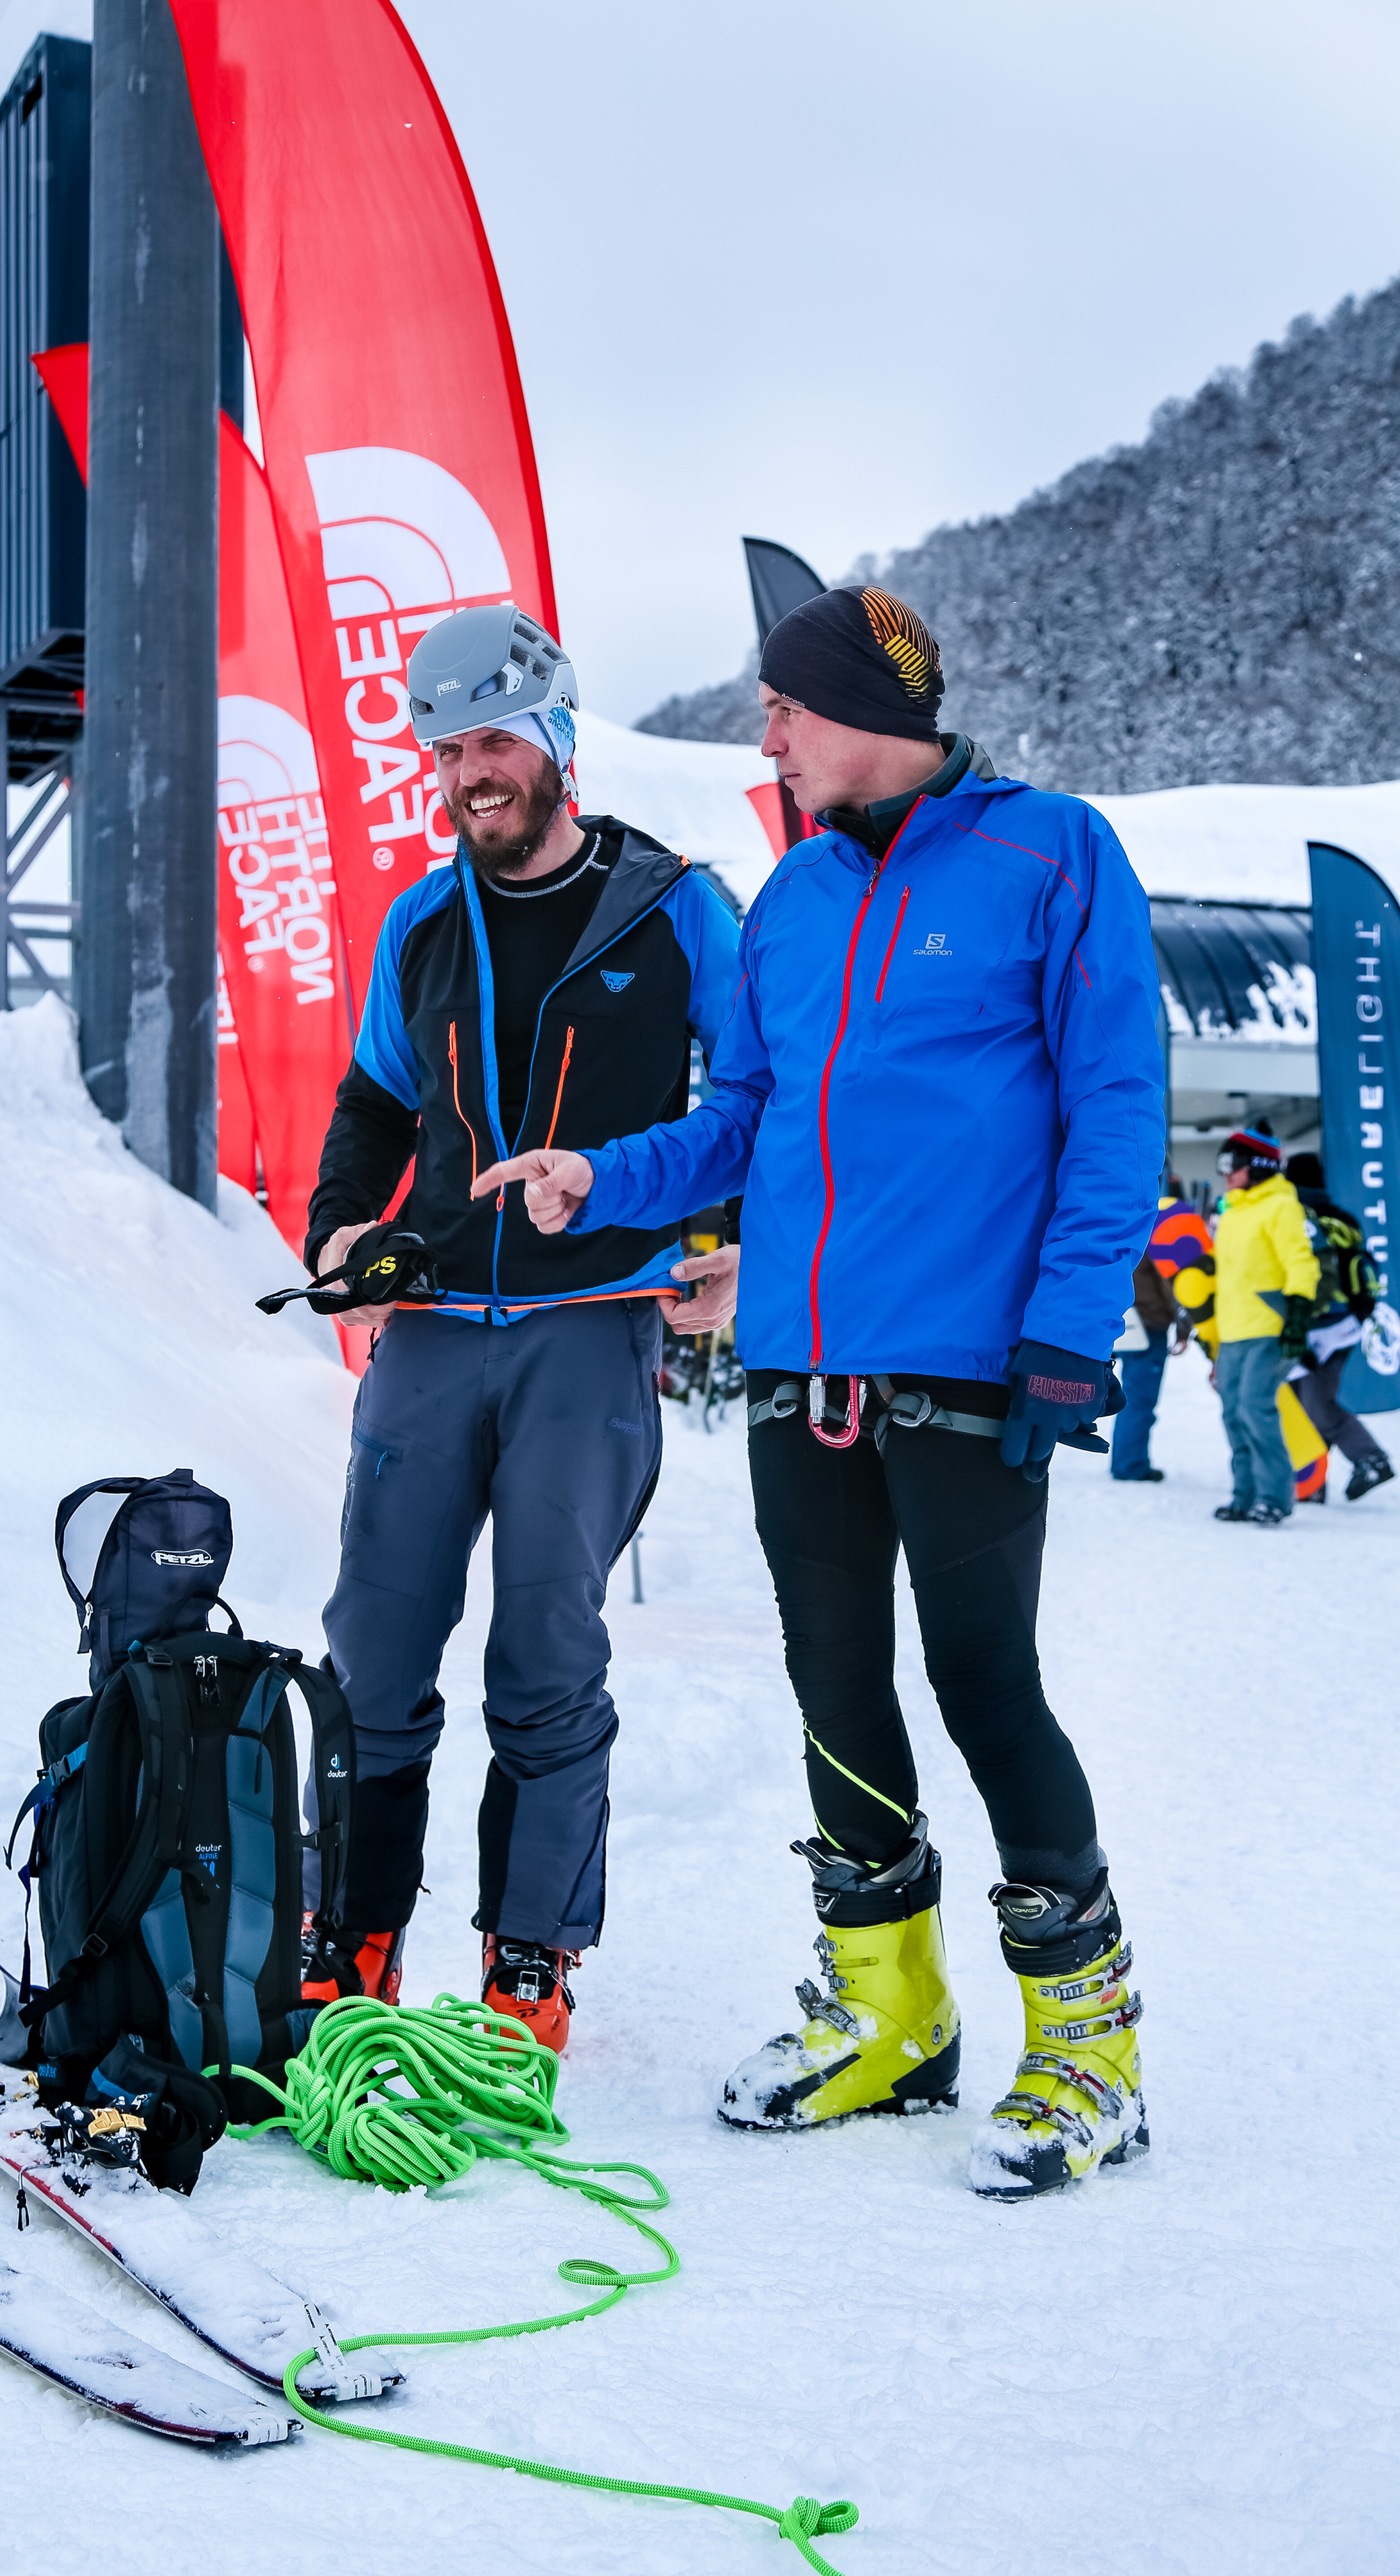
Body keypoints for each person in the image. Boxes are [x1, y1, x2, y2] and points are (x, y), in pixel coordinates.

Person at [476, 584, 1165, 2199]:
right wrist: (604, 1174)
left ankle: (1088, 2045)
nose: (767, 735)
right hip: (798, 1362)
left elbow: (1115, 1102)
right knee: (832, 1683)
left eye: (785, 707)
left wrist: (1066, 1331)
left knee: (983, 1683)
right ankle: (890, 2013)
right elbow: (746, 1117)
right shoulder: (788, 895)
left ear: (867, 709)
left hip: (970, 1360)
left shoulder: (1050, 854)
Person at [298, 603, 741, 2051]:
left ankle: (529, 1961)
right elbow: (375, 1100)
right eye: (443, 751)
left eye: (491, 741)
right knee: (373, 1650)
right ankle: (351, 1935)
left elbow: (753, 1106)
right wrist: (338, 1230)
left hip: (589, 1329)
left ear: (553, 740)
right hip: (428, 1326)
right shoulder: (422, 922)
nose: (466, 773)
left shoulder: (677, 908)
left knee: (546, 1657)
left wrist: (682, 1218)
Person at [1206, 1126, 1320, 1526]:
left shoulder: (1281, 1206)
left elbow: (1300, 1262)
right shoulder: (1233, 1211)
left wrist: (1298, 1318)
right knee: (1234, 1414)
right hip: (1233, 1330)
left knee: (1256, 1408)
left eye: (1230, 1164)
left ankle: (1274, 1497)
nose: (1225, 1173)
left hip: (1269, 1326)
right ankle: (1245, 1496)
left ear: (1256, 1166)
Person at [1282, 1152, 1393, 1501]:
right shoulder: (1342, 1217)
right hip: (1344, 1324)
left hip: (1316, 1326)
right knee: (1307, 1403)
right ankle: (1312, 1480)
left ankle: (1370, 1459)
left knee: (1316, 1404)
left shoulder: (1297, 1217)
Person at [1111, 1177, 1216, 1481]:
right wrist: (1184, 1328)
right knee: (1139, 1398)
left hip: (1119, 1318)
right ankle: (1130, 1465)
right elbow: (1171, 1282)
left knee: (1122, 1394)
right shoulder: (1158, 1220)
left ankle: (1125, 1460)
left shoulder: (1118, 1214)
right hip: (1149, 1323)